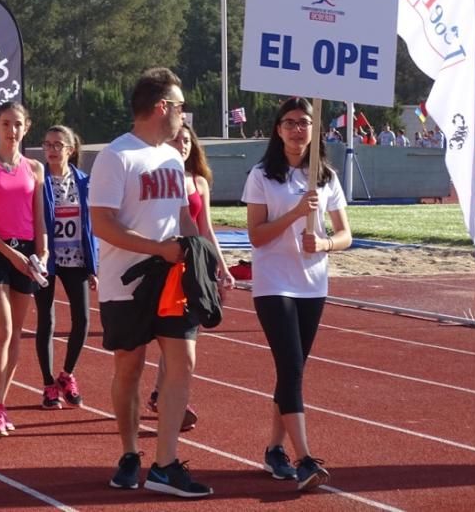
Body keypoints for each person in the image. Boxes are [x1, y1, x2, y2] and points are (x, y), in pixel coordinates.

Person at [89, 67, 210, 498]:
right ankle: (128, 452)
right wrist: (157, 249)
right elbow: (101, 224)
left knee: (183, 362)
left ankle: (165, 463)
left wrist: (201, 262)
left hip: (172, 281)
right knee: (130, 366)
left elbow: (183, 217)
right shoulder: (116, 157)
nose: (183, 116)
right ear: (162, 107)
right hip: (125, 282)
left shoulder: (174, 158)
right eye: (179, 107)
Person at [241, 96, 352, 492]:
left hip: (312, 284)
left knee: (293, 372)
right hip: (274, 283)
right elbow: (255, 235)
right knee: (290, 369)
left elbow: (345, 234)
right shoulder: (261, 175)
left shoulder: (325, 177)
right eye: (289, 122)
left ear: (314, 129)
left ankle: (274, 448)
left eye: (304, 122)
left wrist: (323, 245)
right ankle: (304, 458)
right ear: (278, 129)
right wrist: (293, 214)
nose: (296, 129)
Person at [147, 122, 235, 429]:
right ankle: (165, 394)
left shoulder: (199, 182)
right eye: (176, 139)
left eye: (186, 140)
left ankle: (163, 393)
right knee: (171, 336)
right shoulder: (159, 179)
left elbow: (206, 228)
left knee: (184, 335)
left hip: (195, 266)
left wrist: (221, 267)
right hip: (165, 262)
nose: (182, 145)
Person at [0, 102, 48, 436]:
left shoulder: (35, 168)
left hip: (27, 252)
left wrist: (41, 254)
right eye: (5, 124)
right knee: (0, 329)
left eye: (17, 124)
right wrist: (9, 254)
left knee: (15, 333)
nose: (11, 130)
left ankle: (2, 401)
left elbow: (40, 218)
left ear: (26, 127)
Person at [36, 125, 98, 410]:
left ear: (70, 150)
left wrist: (92, 265)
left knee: (82, 320)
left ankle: (67, 374)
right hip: (47, 258)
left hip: (76, 258)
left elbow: (89, 226)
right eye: (47, 145)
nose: (51, 150)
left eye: (58, 145)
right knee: (46, 321)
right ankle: (48, 383)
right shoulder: (39, 180)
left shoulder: (84, 181)